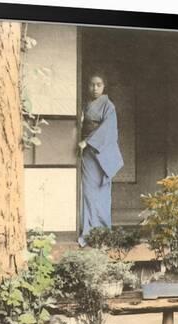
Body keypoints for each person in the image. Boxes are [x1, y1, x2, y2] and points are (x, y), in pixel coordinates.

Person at [77, 73, 124, 247]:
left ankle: (102, 231)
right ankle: (89, 230)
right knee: (88, 192)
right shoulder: (85, 103)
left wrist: (87, 140)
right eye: (91, 85)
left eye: (99, 84)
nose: (95, 88)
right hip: (88, 154)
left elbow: (109, 129)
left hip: (100, 153)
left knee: (102, 192)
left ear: (104, 86)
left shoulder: (108, 105)